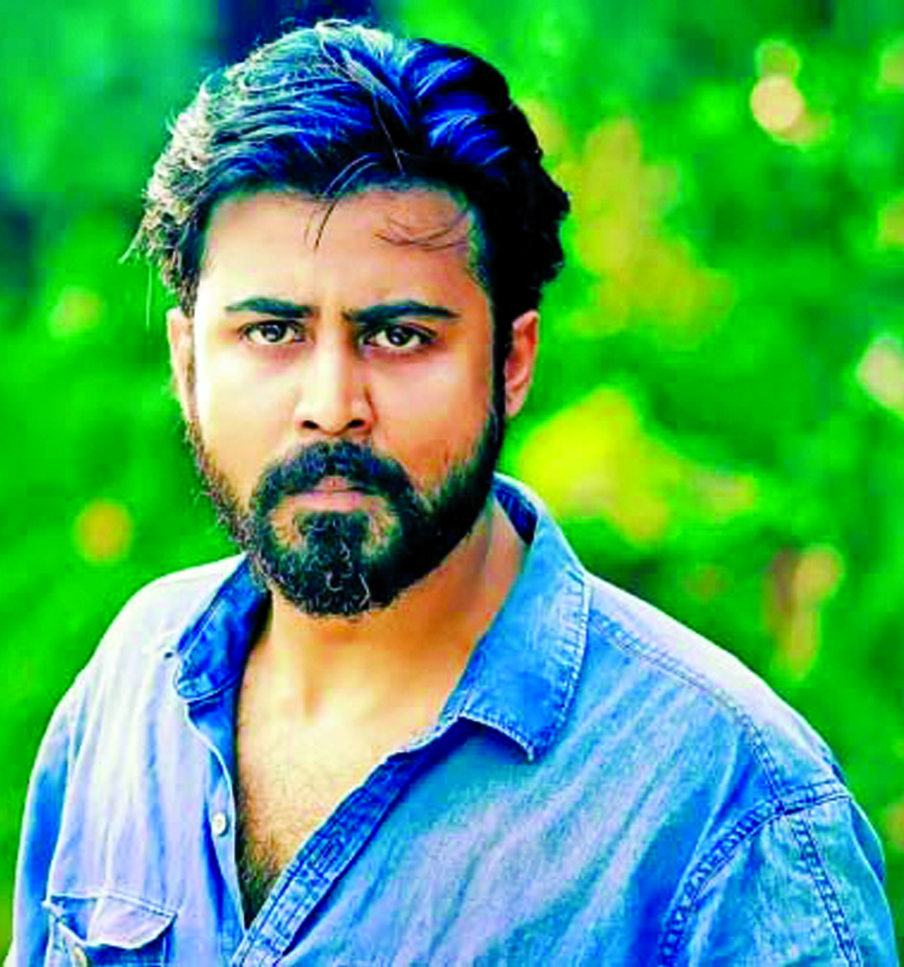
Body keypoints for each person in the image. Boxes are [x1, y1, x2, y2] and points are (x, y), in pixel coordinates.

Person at [8, 19, 898, 966]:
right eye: (272, 332)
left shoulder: (729, 813)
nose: (331, 405)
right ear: (188, 361)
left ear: (511, 361)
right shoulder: (133, 687)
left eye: (399, 336)